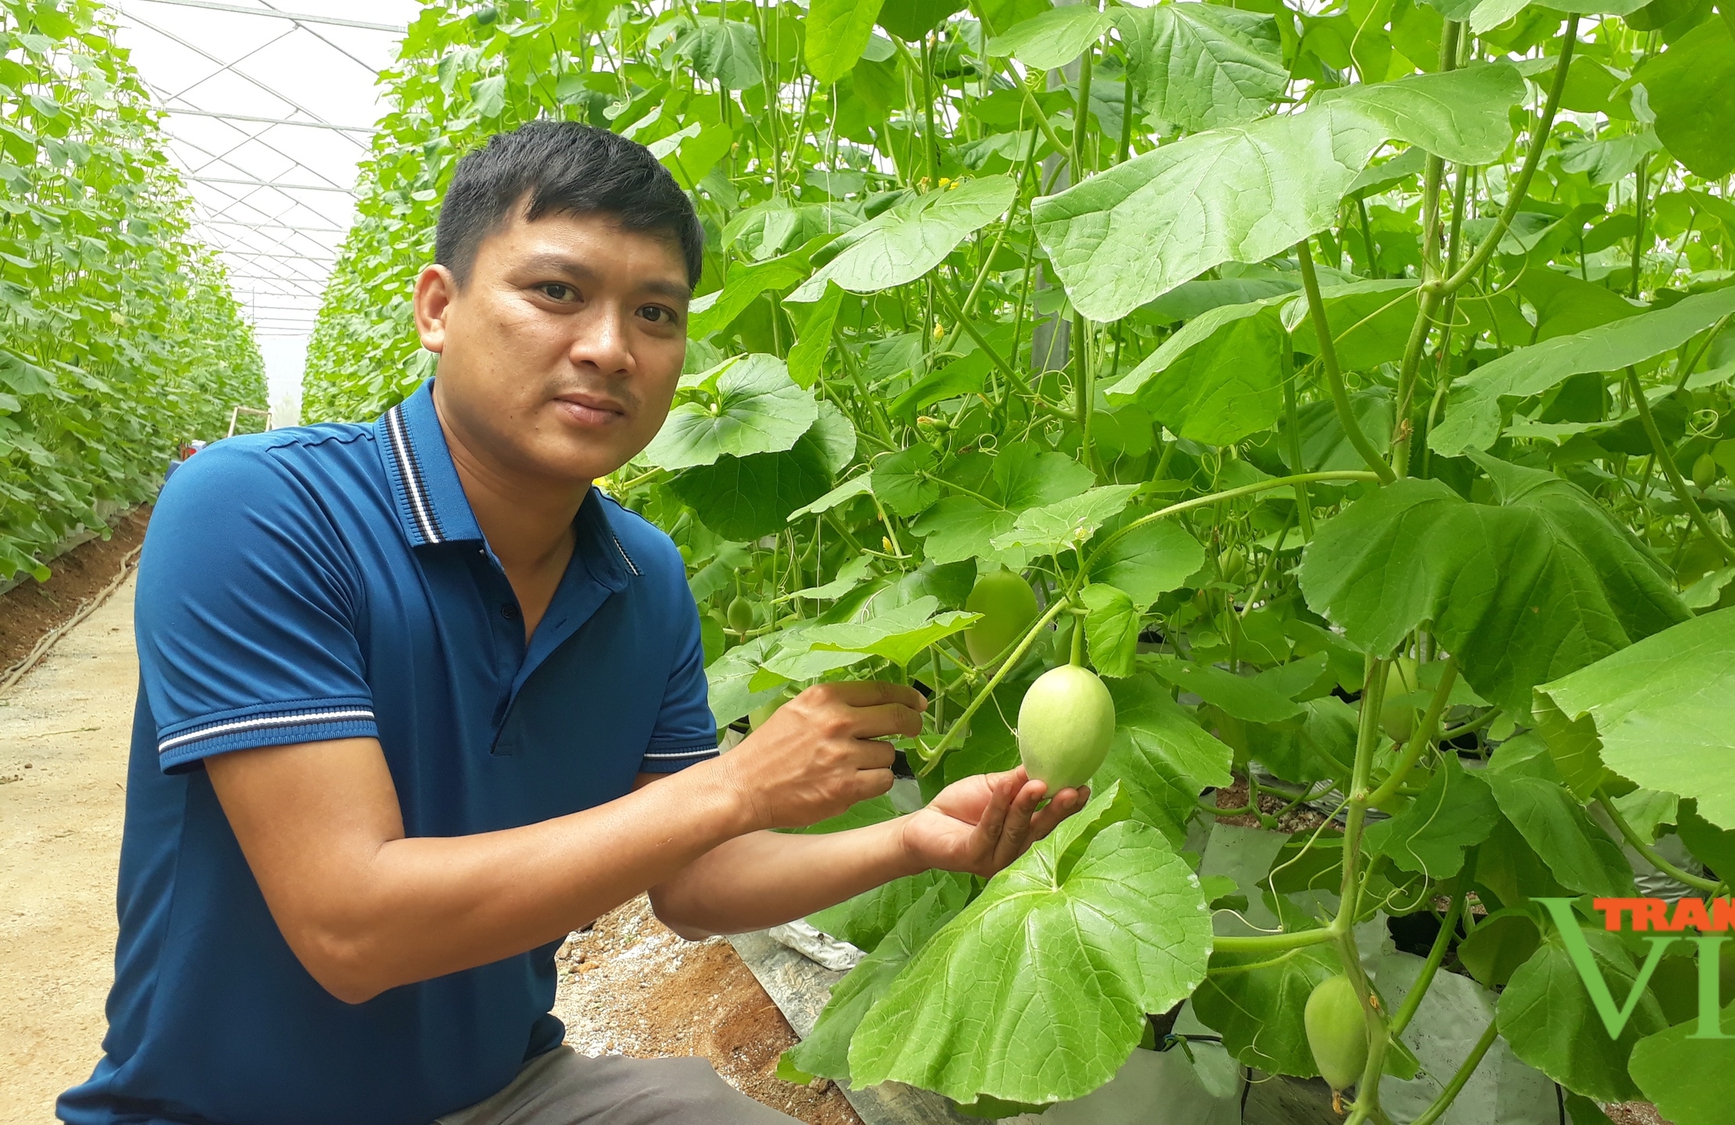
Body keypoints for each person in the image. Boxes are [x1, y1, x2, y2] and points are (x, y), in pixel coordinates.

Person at [58, 119, 1089, 1125]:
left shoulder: (641, 574)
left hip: (507, 1094)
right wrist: (736, 783)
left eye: (656, 314)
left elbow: (692, 878)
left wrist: (913, 838)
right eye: (555, 292)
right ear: (436, 307)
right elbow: (350, 927)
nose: (608, 348)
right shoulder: (260, 508)